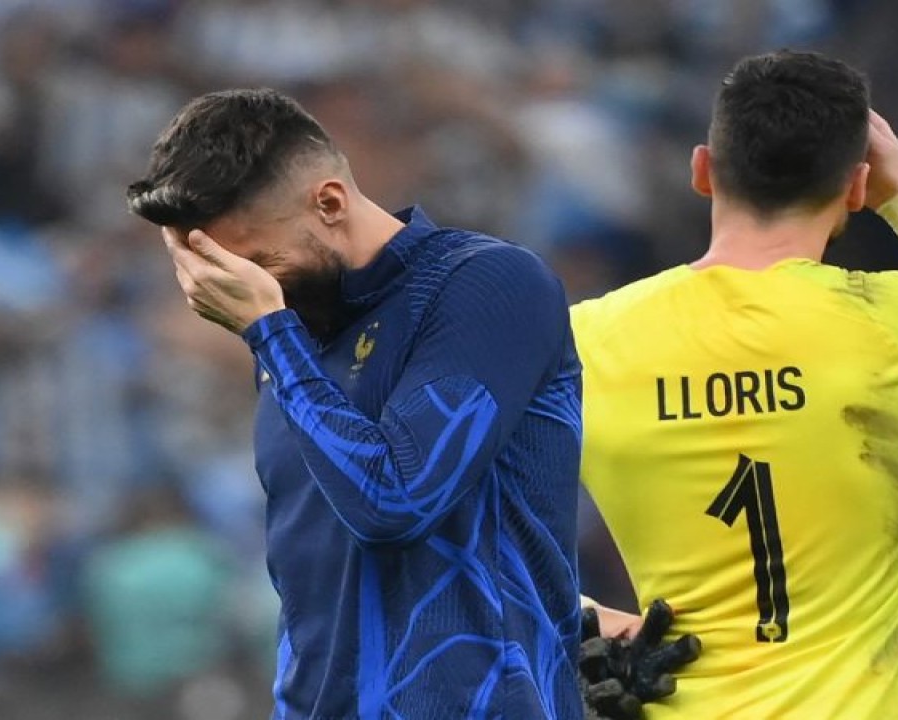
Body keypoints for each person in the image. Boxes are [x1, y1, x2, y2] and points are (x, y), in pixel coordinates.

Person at [571, 50, 898, 719]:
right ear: (858, 187)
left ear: (703, 171)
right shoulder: (897, 315)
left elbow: (434, 509)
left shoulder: (586, 339)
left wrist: (574, 613)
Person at [126, 89, 584, 719]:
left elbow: (393, 502)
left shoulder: (488, 284)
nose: (243, 295)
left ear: (331, 202)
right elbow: (327, 576)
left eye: (256, 264)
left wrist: (270, 335)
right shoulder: (295, 338)